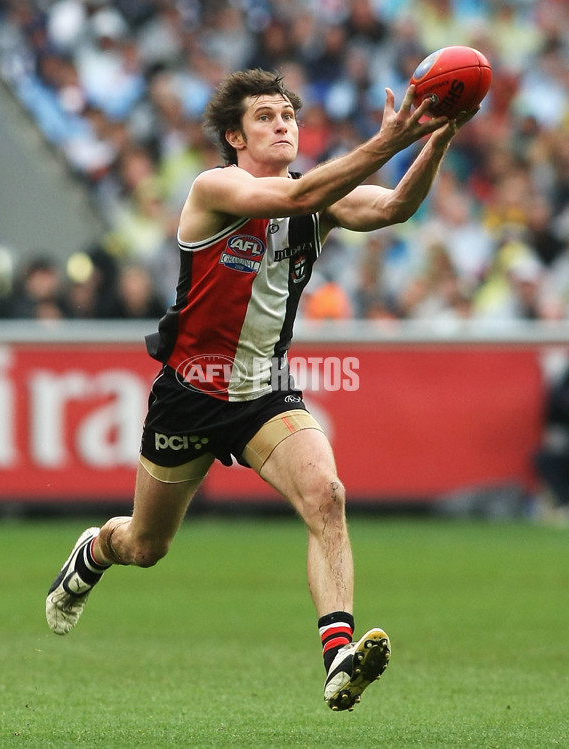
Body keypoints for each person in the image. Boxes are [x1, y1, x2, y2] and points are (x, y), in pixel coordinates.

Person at [46, 69, 476, 711]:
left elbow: (391, 209)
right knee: (147, 545)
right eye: (267, 118)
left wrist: (436, 137)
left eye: (289, 116)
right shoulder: (216, 187)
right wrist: (389, 140)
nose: (283, 126)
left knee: (326, 495)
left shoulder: (315, 194)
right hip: (190, 391)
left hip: (263, 391)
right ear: (234, 136)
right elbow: (293, 204)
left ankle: (338, 657)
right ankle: (93, 552)